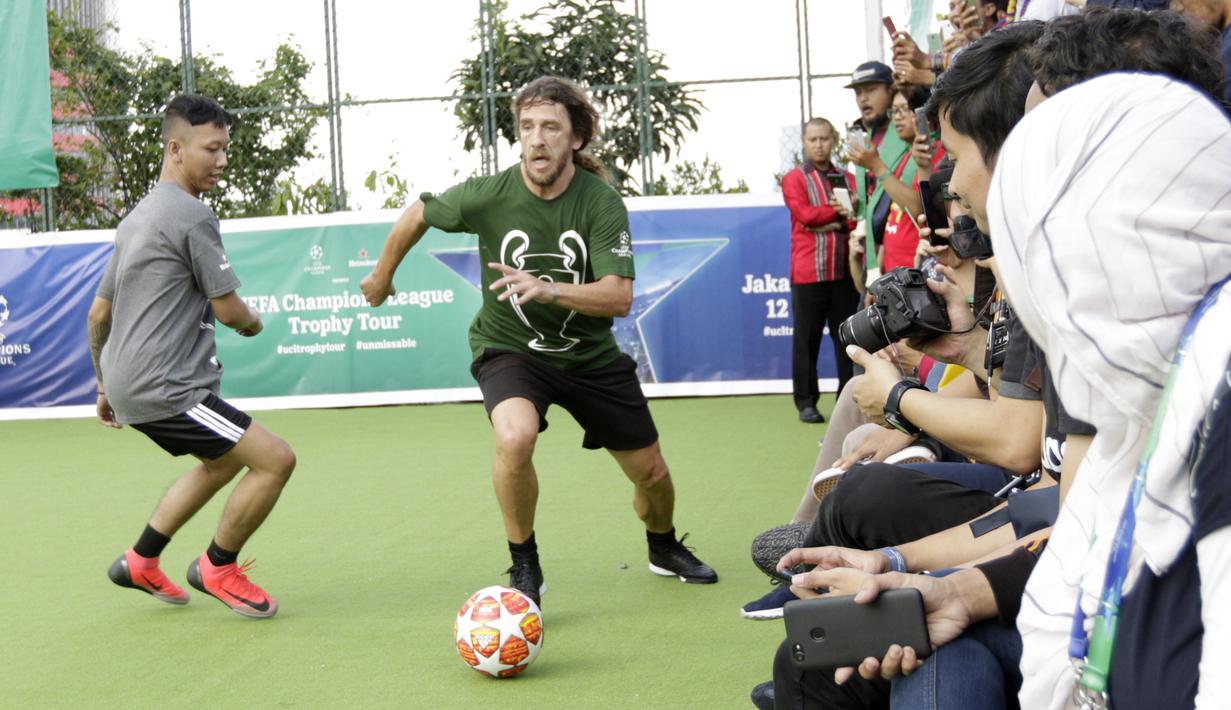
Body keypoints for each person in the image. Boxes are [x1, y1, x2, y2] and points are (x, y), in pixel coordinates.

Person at [359, 76, 717, 606]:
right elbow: (419, 213)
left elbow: (619, 297)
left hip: (590, 357)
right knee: (515, 437)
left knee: (652, 474)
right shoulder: (489, 194)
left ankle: (662, 546)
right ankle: (525, 562)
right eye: (527, 126)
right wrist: (382, 275)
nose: (537, 138)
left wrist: (548, 289)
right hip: (510, 348)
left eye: (551, 127)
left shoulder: (600, 202)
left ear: (576, 138)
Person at [89, 94, 295, 620]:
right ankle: (217, 567)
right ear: (176, 149)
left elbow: (98, 315)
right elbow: (228, 310)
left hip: (127, 384)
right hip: (167, 387)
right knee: (276, 460)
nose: (222, 159)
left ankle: (141, 560)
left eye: (225, 148)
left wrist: (104, 385)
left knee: (222, 461)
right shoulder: (191, 215)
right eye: (212, 148)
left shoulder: (135, 219)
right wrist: (252, 323)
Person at [781, 117, 860, 423]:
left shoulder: (847, 178)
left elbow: (855, 219)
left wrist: (834, 220)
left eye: (824, 139)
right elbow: (805, 215)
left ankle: (846, 401)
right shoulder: (794, 179)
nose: (819, 145)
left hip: (845, 273)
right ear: (804, 142)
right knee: (806, 340)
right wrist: (838, 215)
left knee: (846, 341)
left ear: (833, 140)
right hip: (808, 274)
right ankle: (806, 402)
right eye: (813, 139)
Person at [844, 61, 904, 293]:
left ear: (891, 89)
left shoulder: (906, 133)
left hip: (902, 253)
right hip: (871, 257)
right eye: (858, 93)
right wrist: (856, 206)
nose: (863, 99)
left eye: (871, 90)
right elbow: (871, 197)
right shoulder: (863, 135)